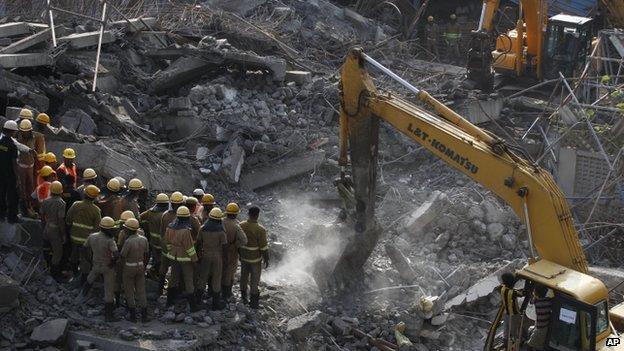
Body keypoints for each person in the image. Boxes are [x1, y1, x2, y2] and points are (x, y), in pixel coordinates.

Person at [82, 216, 119, 322]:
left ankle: (81, 298)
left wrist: (89, 260)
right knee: (109, 291)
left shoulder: (92, 236)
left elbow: (84, 249)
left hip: (96, 265)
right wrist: (112, 263)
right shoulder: (109, 240)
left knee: (89, 280)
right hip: (107, 268)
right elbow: (116, 255)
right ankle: (109, 316)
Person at [163, 206, 198, 311]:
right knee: (188, 280)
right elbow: (189, 247)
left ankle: (169, 302)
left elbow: (167, 242)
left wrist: (172, 251)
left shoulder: (169, 227)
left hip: (173, 256)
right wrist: (195, 260)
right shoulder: (185, 231)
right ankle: (193, 306)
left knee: (173, 278)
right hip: (185, 258)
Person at [66, 185, 102, 285]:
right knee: (85, 259)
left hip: (74, 236)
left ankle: (74, 273)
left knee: (74, 254)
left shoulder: (76, 204)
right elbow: (97, 228)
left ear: (85, 194)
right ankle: (83, 280)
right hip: (86, 240)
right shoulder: (96, 210)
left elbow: (68, 219)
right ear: (94, 197)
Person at [196, 207, 227, 310]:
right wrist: (225, 260)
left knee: (202, 278)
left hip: (205, 255)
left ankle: (197, 301)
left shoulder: (202, 228)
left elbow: (198, 243)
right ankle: (215, 304)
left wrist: (198, 256)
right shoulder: (221, 232)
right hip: (217, 257)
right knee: (216, 279)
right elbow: (224, 247)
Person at [120, 217, 149, 322]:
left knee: (129, 291)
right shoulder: (144, 239)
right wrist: (144, 266)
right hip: (140, 266)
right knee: (141, 291)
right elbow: (146, 254)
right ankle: (144, 316)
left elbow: (123, 255)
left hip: (129, 267)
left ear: (128, 230)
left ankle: (133, 317)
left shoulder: (128, 241)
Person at [239, 206, 269, 308]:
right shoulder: (261, 229)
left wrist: (239, 254)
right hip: (255, 259)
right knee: (254, 280)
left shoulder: (241, 225)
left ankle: (243, 298)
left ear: (248, 214)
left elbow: (238, 241)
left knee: (243, 277)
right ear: (257, 215)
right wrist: (266, 259)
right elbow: (263, 247)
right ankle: (254, 303)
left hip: (244, 257)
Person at [158, 191, 184, 295]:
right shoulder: (182, 217)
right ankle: (172, 293)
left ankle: (159, 289)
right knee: (175, 270)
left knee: (163, 268)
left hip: (165, 246)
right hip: (176, 249)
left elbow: (161, 232)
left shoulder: (165, 215)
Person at [39, 181, 66, 281]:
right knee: (58, 252)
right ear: (60, 191)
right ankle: (55, 274)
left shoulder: (46, 200)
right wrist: (63, 234)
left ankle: (46, 266)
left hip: (47, 227)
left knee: (46, 248)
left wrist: (43, 225)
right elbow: (60, 220)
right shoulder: (61, 203)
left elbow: (41, 214)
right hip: (55, 230)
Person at [221, 202, 247, 301]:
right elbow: (244, 240)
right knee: (230, 272)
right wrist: (235, 245)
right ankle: (226, 294)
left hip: (220, 250)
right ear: (236, 214)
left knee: (220, 270)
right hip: (231, 252)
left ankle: (216, 290)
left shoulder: (220, 221)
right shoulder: (236, 225)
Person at [139, 193, 168, 278]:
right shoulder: (166, 215)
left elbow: (140, 218)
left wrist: (146, 227)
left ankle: (153, 274)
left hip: (153, 241)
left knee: (156, 259)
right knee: (161, 261)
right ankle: (154, 274)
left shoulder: (150, 212)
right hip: (163, 242)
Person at [16, 119, 42, 217]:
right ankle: (23, 208)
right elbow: (18, 146)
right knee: (22, 187)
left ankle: (30, 207)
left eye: (26, 131)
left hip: (30, 166)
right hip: (21, 165)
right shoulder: (17, 136)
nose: (24, 133)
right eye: (23, 131)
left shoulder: (34, 137)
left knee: (30, 187)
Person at [0, 120, 19, 223]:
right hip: (10, 175)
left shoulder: (0, 142)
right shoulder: (12, 146)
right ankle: (12, 217)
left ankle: (1, 215)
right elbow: (14, 163)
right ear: (12, 131)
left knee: (1, 193)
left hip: (1, 173)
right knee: (13, 196)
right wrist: (17, 178)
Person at [500, 272, 524, 344]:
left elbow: (512, 287)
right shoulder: (513, 293)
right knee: (515, 329)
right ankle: (519, 341)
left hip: (506, 313)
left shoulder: (502, 288)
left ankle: (505, 340)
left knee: (506, 328)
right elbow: (523, 293)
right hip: (514, 314)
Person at [527, 285, 552, 350]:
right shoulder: (548, 301)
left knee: (529, 345)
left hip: (541, 328)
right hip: (543, 325)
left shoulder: (536, 301)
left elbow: (531, 300)